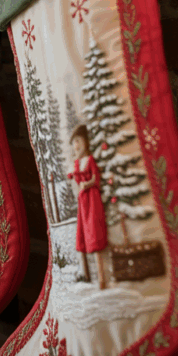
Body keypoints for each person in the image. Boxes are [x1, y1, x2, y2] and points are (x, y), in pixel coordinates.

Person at [68, 124, 108, 289]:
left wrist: (87, 184)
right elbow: (76, 179)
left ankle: (101, 278)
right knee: (83, 234)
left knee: (94, 232)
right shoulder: (77, 163)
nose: (76, 145)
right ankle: (86, 275)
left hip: (92, 200)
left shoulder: (90, 160)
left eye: (78, 141)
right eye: (74, 143)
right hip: (82, 202)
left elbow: (95, 178)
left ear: (85, 141)